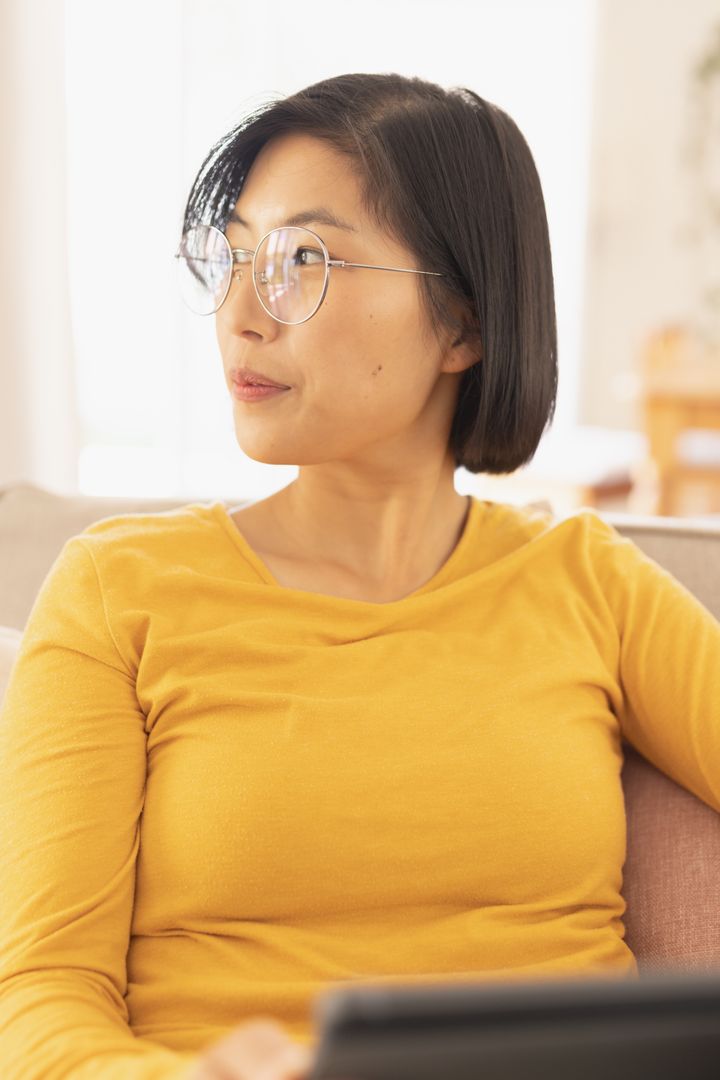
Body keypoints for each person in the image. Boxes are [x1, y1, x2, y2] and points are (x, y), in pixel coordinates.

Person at [1, 71, 718, 1080]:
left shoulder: (587, 582)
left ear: (462, 324)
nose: (242, 314)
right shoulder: (121, 593)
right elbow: (37, 1003)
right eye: (235, 257)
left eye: (302, 258)